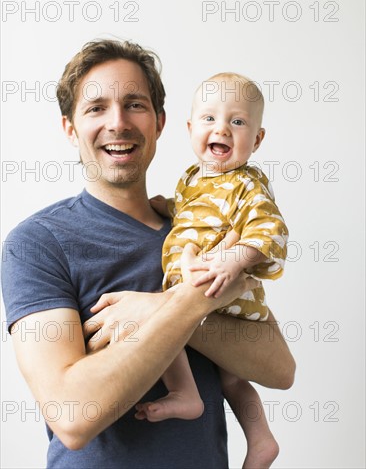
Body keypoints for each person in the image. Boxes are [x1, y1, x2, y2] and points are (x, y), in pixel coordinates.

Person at [1, 39, 295, 469]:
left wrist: (154, 309)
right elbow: (71, 415)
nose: (118, 122)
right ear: (69, 129)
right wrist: (194, 301)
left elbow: (279, 370)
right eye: (96, 108)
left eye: (134, 104)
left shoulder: (200, 229)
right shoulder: (38, 243)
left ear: (160, 122)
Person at [135, 72, 288, 468]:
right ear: (189, 128)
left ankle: (185, 393)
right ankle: (261, 438)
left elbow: (270, 229)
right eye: (209, 118)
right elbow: (193, 214)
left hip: (224, 283)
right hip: (205, 283)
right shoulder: (191, 178)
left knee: (166, 319)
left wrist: (235, 259)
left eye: (237, 122)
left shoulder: (247, 184)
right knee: (233, 378)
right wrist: (165, 206)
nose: (221, 128)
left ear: (256, 140)